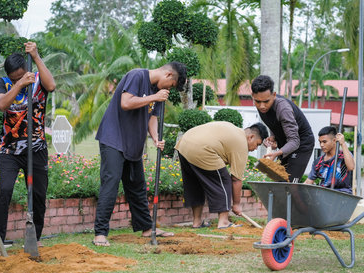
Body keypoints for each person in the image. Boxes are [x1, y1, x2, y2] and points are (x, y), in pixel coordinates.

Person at [93, 62, 187, 246]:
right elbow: (126, 102)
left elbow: (152, 117)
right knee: (110, 184)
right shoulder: (137, 76)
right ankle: (100, 233)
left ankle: (146, 227)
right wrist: (155, 96)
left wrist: (155, 137)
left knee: (137, 186)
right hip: (114, 138)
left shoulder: (157, 92)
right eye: (172, 85)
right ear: (168, 75)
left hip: (133, 143)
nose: (169, 89)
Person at [0, 42, 56, 257]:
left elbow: (52, 86)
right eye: (13, 77)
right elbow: (1, 105)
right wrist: (18, 85)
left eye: (21, 76)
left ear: (27, 70)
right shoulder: (2, 83)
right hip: (10, 149)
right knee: (5, 190)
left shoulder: (38, 79)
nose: (17, 79)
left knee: (38, 194)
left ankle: (34, 237)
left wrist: (35, 56)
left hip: (36, 148)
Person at [175, 121, 268, 229]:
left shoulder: (233, 130)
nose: (255, 148)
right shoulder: (242, 143)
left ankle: (197, 222)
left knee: (196, 185)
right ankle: (223, 222)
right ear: (251, 137)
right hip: (203, 149)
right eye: (257, 144)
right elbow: (236, 179)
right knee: (224, 181)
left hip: (184, 144)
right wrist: (236, 204)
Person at [251, 75, 315, 182]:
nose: (262, 106)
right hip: (286, 144)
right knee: (278, 179)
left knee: (288, 181)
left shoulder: (283, 108)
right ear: (253, 96)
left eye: (266, 102)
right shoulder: (262, 104)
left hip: (301, 144)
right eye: (258, 101)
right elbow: (274, 123)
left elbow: (295, 141)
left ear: (274, 95)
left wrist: (277, 153)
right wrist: (273, 137)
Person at [305, 126, 355, 194]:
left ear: (334, 140)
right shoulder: (318, 162)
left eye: (324, 142)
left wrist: (343, 143)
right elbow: (308, 182)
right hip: (324, 196)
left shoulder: (344, 156)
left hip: (343, 195)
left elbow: (351, 167)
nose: (322, 145)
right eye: (320, 142)